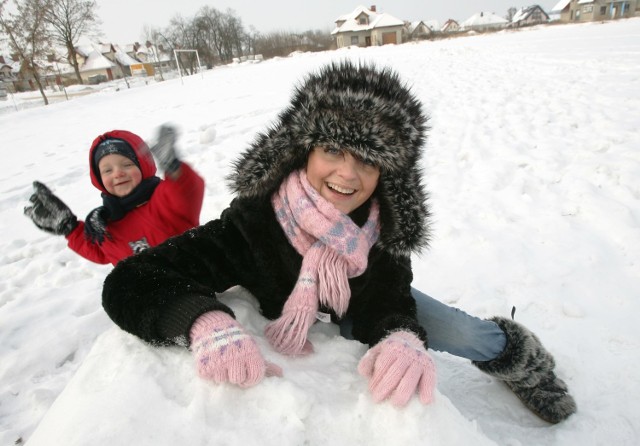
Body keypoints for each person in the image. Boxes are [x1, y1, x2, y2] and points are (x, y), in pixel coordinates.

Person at [100, 62, 576, 423]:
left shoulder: (383, 226)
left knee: (461, 331)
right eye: (332, 151)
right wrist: (200, 322)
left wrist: (400, 336)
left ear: (386, 173)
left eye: (367, 162)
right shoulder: (254, 222)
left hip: (354, 311)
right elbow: (131, 280)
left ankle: (525, 362)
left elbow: (387, 298)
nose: (347, 175)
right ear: (303, 151)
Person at [24, 126, 205, 266]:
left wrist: (173, 167)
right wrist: (69, 228)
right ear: (99, 179)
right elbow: (98, 251)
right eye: (107, 170)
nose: (118, 173)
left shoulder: (163, 199)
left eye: (126, 165)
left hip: (191, 282)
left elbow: (186, 191)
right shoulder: (104, 222)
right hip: (149, 299)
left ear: (144, 166)